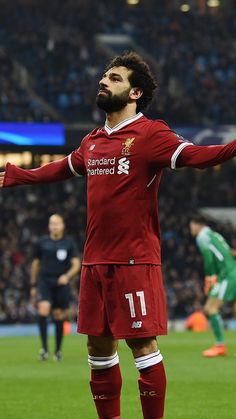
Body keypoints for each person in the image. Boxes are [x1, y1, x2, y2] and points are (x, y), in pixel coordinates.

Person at [1, 52, 236, 418]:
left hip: (134, 259)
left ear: (134, 92)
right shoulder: (92, 142)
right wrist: (17, 176)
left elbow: (200, 155)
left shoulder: (150, 133)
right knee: (98, 350)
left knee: (142, 346)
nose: (103, 81)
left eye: (113, 78)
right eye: (104, 76)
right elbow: (60, 168)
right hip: (95, 262)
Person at [30, 213, 81, 361]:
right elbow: (36, 263)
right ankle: (44, 349)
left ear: (63, 225)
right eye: (52, 223)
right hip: (45, 281)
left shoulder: (69, 243)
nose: (55, 226)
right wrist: (33, 284)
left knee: (59, 315)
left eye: (57, 223)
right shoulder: (42, 242)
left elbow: (76, 264)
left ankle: (58, 350)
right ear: (49, 226)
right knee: (43, 309)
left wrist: (67, 276)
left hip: (61, 283)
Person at [189, 215, 236, 357]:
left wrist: (210, 277)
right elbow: (228, 251)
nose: (191, 229)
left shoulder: (202, 237)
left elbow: (208, 258)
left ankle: (220, 345)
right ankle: (220, 345)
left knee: (210, 308)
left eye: (191, 226)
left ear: (198, 225)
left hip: (227, 275)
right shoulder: (215, 235)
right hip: (232, 270)